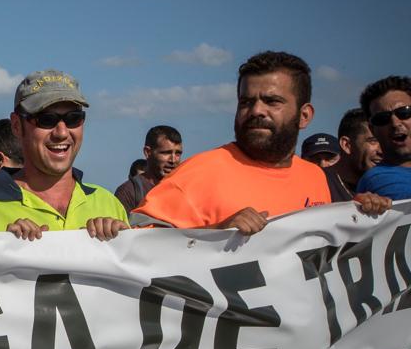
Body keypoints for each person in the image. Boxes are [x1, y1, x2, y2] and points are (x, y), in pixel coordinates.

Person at [135, 52, 390, 233]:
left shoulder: (315, 176)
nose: (256, 110)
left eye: (272, 101)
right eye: (246, 102)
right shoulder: (197, 173)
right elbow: (136, 249)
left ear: (304, 116)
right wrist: (216, 235)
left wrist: (367, 216)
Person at [0, 70, 128, 240]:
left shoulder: (108, 204)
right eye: (46, 120)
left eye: (73, 118)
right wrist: (4, 249)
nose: (62, 132)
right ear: (17, 126)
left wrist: (122, 242)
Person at [357, 75, 411, 199]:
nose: (395, 123)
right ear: (372, 130)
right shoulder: (376, 182)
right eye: (382, 118)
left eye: (404, 112)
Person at [113, 125, 183, 212]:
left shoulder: (184, 190)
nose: (173, 160)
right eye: (166, 153)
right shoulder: (129, 192)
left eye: (178, 154)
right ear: (147, 152)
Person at [325, 108, 383, 201]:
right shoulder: (317, 182)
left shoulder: (387, 186)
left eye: (384, 141)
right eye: (373, 141)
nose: (382, 151)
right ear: (347, 145)